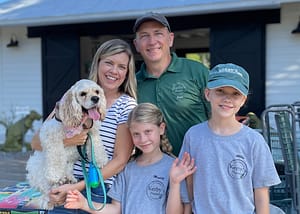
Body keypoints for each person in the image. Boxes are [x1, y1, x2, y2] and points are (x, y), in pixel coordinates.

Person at [31, 39, 137, 213]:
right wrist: (67, 141)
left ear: (127, 72)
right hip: (62, 184)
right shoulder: (73, 95)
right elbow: (35, 142)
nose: (114, 71)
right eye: (109, 63)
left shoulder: (126, 106)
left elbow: (119, 161)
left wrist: (77, 187)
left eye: (121, 67)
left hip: (97, 189)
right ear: (97, 64)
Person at [177, 63, 281, 213]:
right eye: (220, 91)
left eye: (235, 94)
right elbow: (188, 183)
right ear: (207, 94)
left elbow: (261, 192)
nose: (227, 99)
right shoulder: (193, 136)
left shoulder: (254, 141)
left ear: (243, 100)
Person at [64, 103, 196, 214]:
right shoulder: (128, 168)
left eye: (148, 132)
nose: (143, 139)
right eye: (136, 134)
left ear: (161, 129)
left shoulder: (174, 168)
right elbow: (116, 209)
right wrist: (85, 204)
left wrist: (174, 183)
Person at [133, 12, 211, 156]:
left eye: (158, 34)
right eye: (144, 36)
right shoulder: (132, 84)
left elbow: (218, 118)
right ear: (136, 44)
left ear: (170, 39)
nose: (152, 41)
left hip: (199, 165)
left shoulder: (197, 72)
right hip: (154, 171)